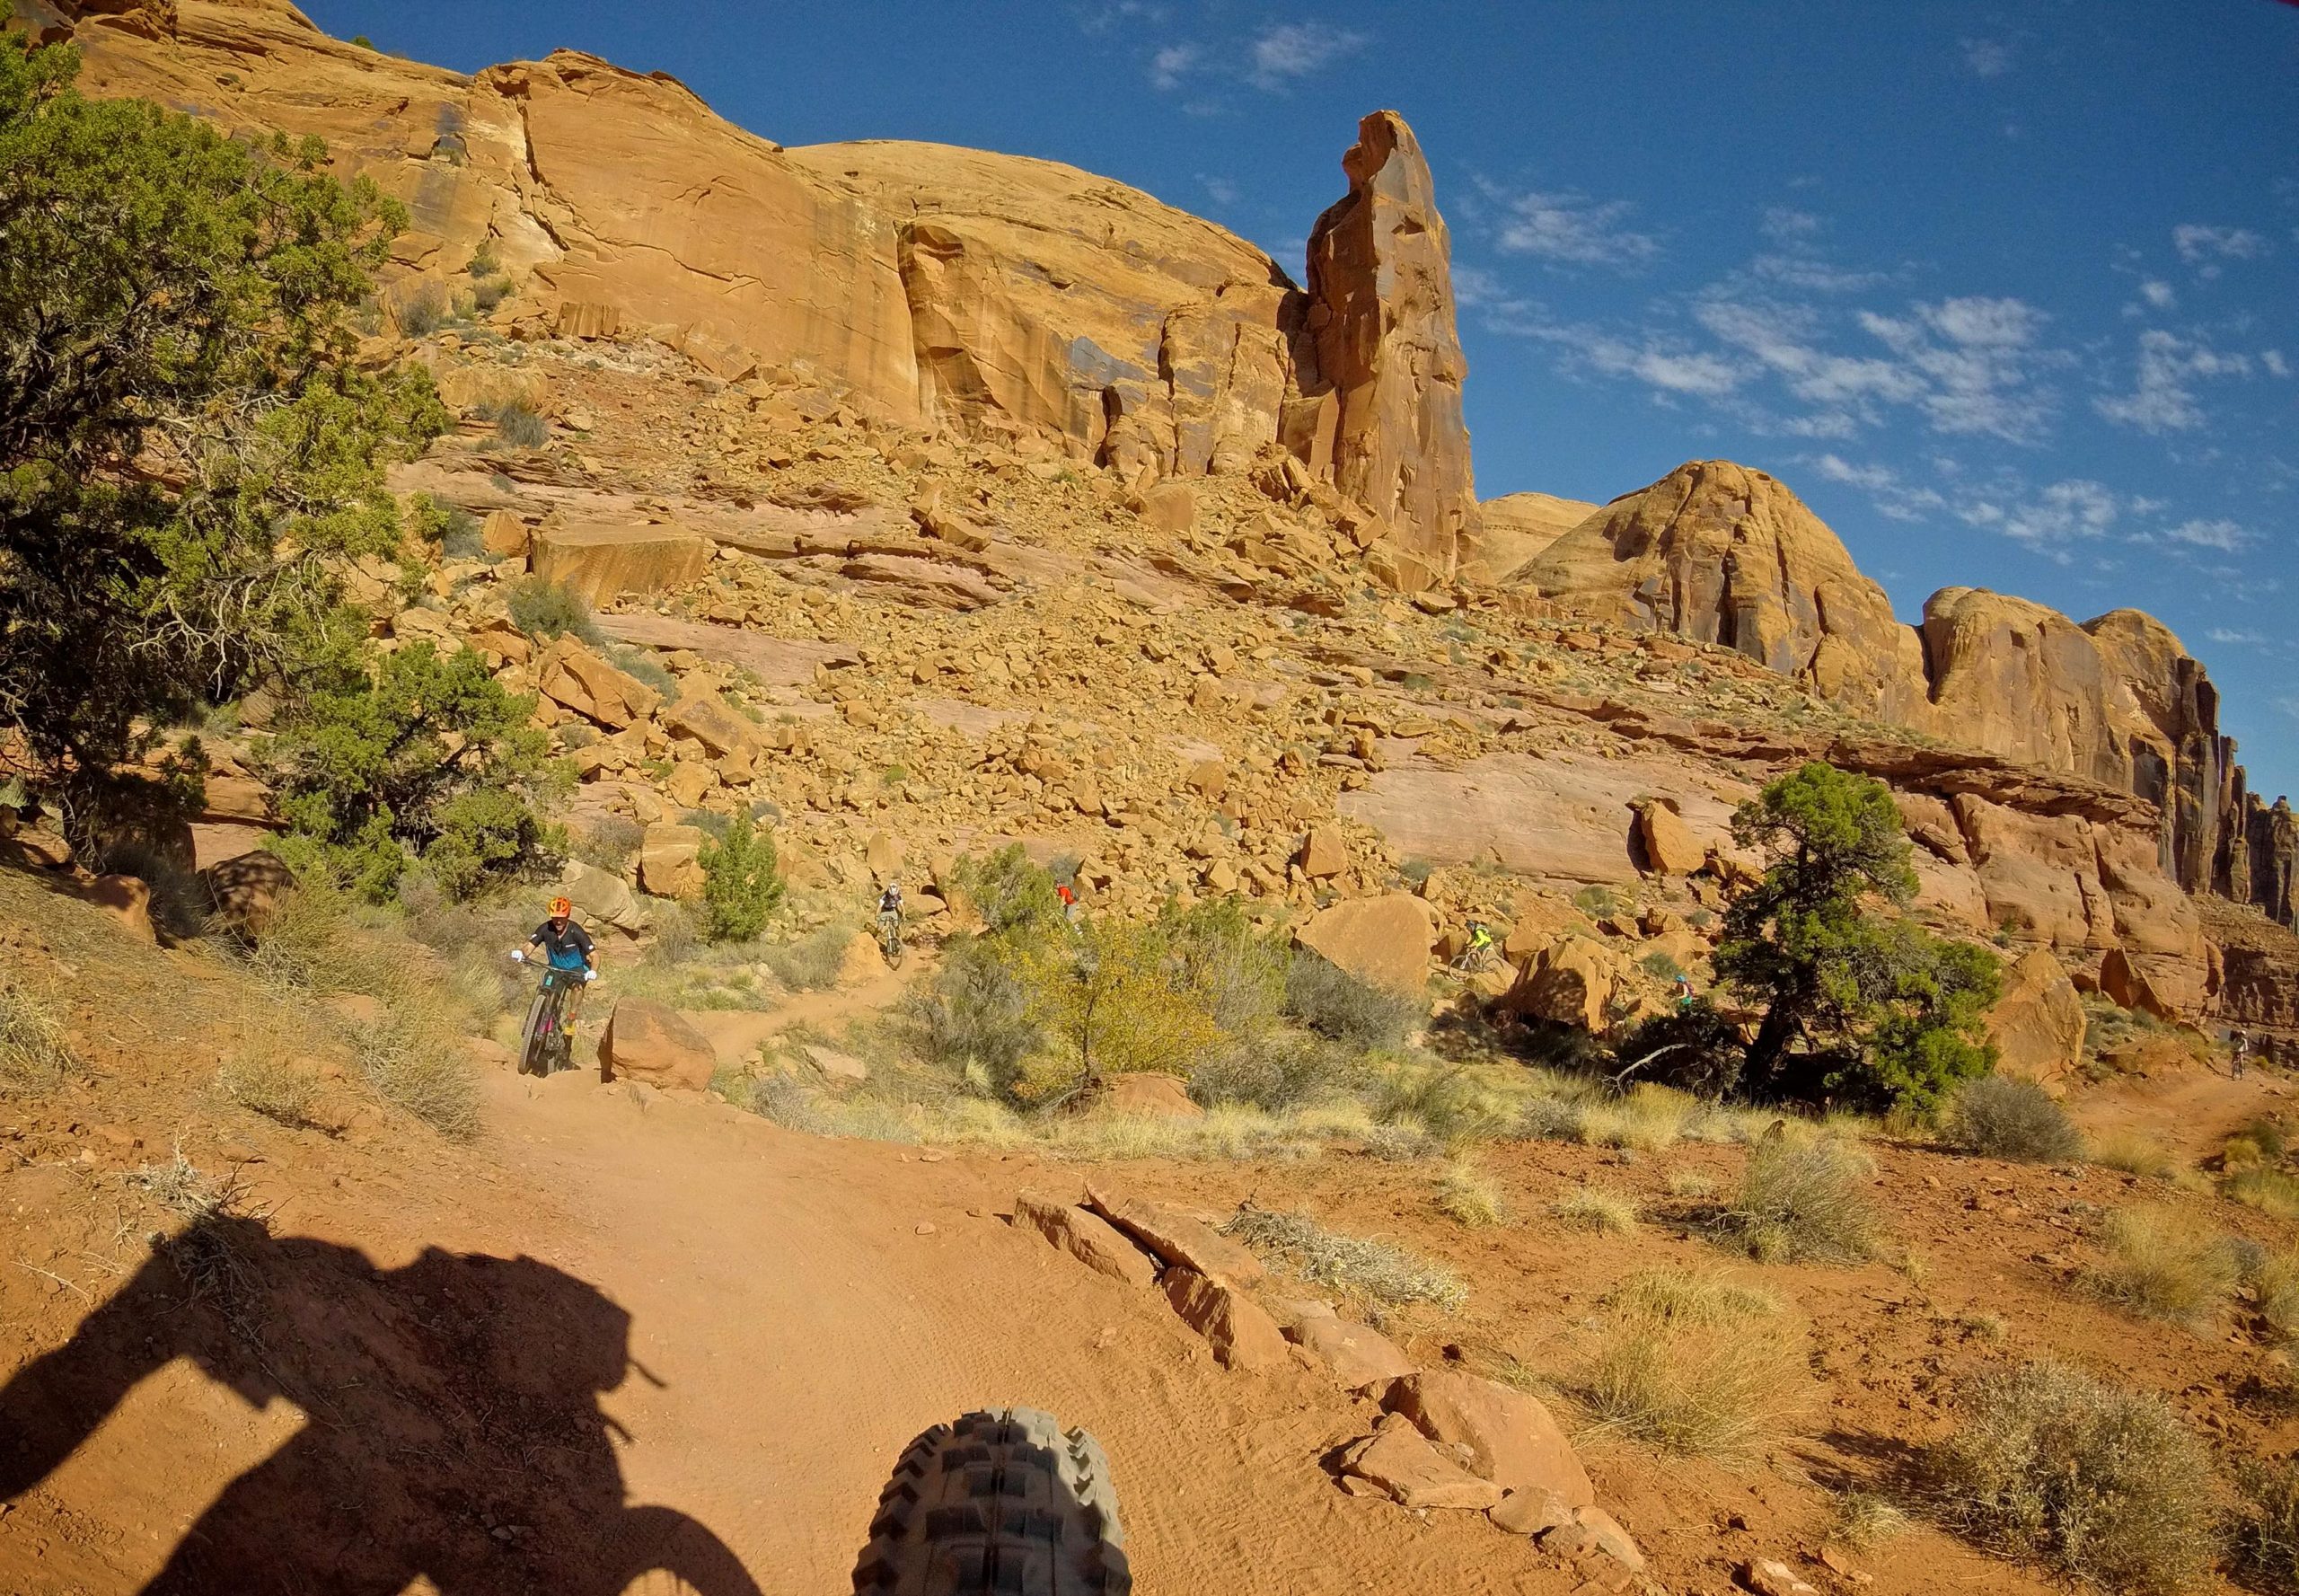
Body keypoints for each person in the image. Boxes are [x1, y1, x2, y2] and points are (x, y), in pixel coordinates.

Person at [513, 895, 597, 1031]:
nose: (558, 921)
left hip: (576, 969)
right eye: (555, 917)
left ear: (568, 915)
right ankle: (541, 1020)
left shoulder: (576, 931)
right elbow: (529, 946)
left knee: (577, 988)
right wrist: (521, 953)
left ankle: (571, 1018)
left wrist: (593, 970)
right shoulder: (545, 929)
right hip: (554, 968)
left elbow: (594, 955)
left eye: (562, 917)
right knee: (547, 989)